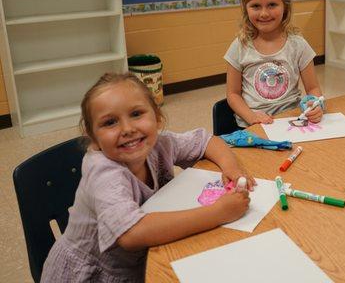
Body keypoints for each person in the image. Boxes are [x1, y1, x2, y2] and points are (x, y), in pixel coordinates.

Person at [41, 72, 256, 282]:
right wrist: (218, 212)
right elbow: (131, 233)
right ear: (92, 135)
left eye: (136, 114)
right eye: (109, 123)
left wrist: (232, 169)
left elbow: (206, 141)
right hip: (96, 273)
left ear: (157, 117)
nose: (127, 129)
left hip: (143, 257)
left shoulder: (157, 144)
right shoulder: (103, 172)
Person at [225, 0, 324, 127]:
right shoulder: (239, 46)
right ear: (246, 8)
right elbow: (232, 94)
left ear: (285, 6)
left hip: (290, 121)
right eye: (256, 6)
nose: (264, 13)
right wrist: (250, 116)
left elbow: (313, 88)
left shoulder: (298, 45)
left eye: (272, 5)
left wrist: (315, 105)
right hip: (252, 125)